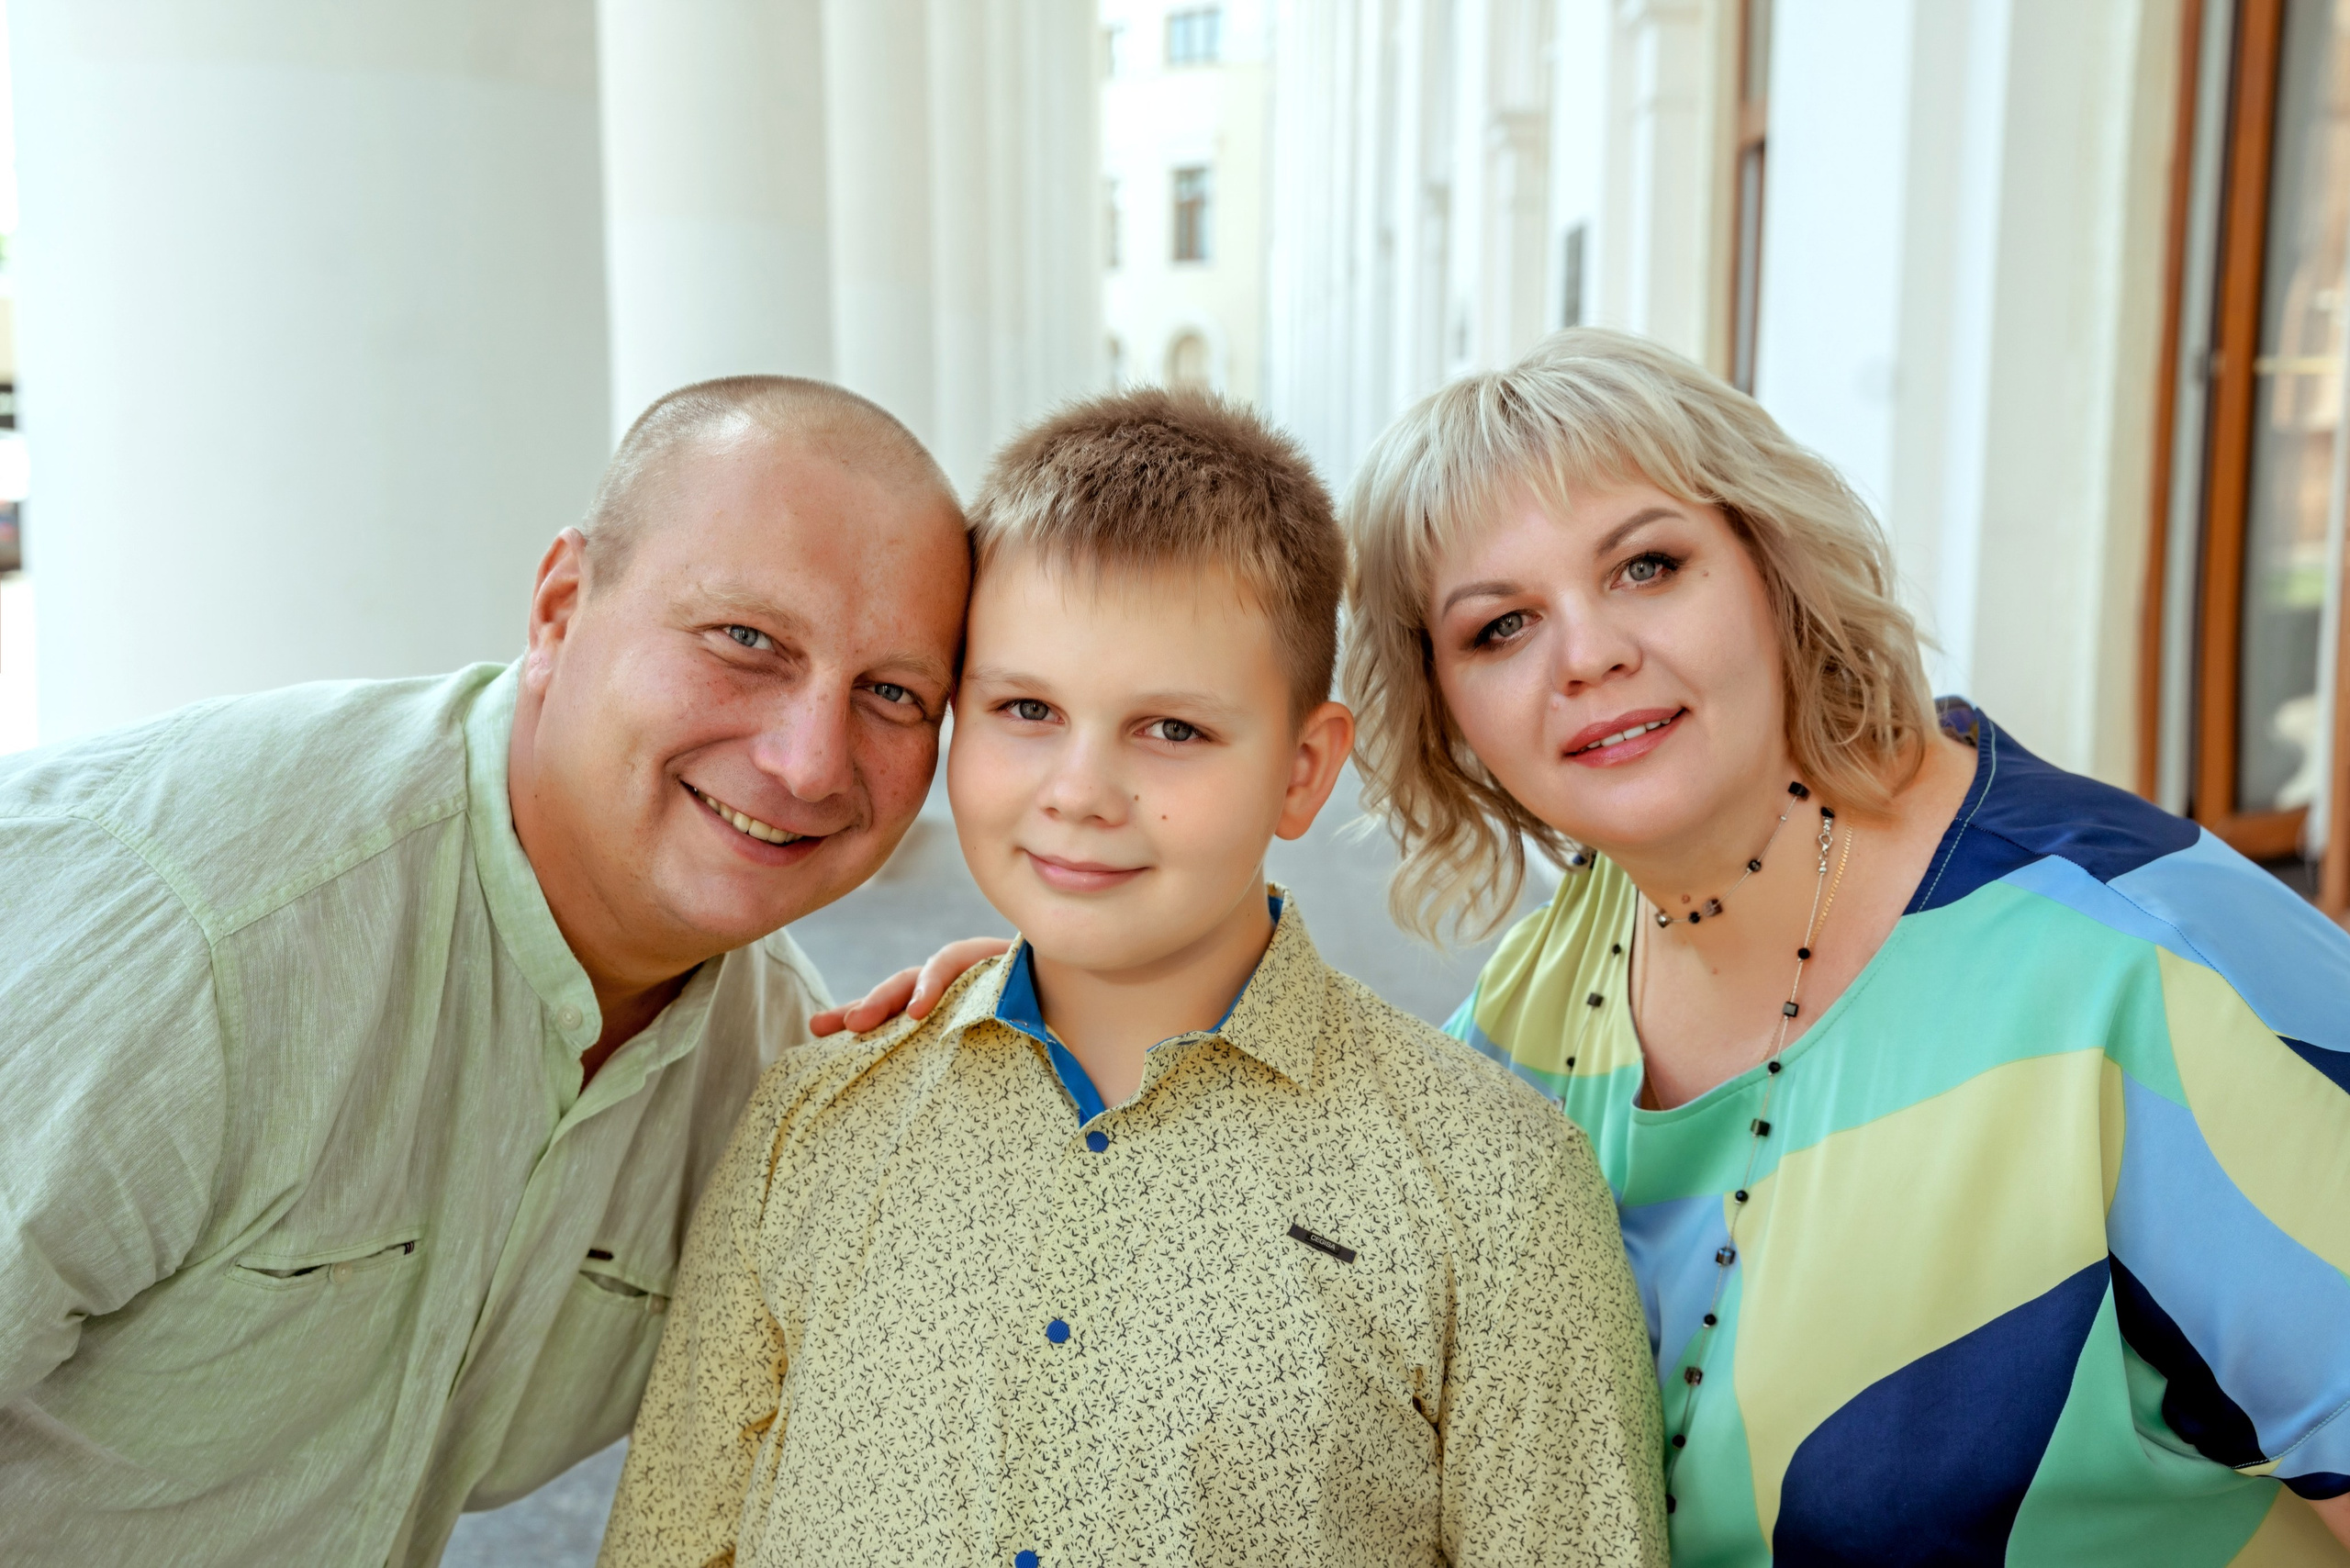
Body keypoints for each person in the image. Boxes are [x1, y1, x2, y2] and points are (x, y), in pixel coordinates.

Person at [597, 390, 1670, 1568]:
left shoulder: (1494, 1191)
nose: (1080, 791)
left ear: (1305, 770)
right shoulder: (812, 1127)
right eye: (1026, 710)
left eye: (1170, 730)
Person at [1336, 329, 2350, 1562]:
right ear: (1445, 708)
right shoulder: (1543, 991)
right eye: (1499, 628)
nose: (1590, 654)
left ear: (1773, 567)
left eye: (1648, 566)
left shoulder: (2143, 965)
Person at [0, 375, 971, 1568]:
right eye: (747, 641)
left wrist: (1033, 1050)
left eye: (893, 693)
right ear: (562, 608)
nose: (812, 760)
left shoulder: (782, 1077)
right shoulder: (191, 936)